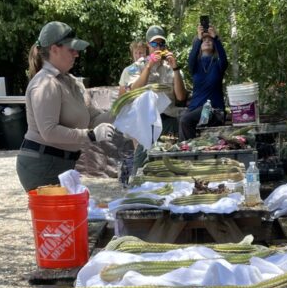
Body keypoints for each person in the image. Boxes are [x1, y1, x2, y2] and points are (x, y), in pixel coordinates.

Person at [16, 21, 101, 192]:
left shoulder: (68, 80)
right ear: (54, 49)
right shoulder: (45, 83)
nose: (76, 54)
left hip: (60, 162)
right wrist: (90, 135)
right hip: (43, 164)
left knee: (67, 218)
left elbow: (92, 116)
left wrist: (124, 110)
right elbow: (49, 131)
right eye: (71, 49)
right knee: (59, 219)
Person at [122, 24, 187, 179]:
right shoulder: (136, 67)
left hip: (168, 120)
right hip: (146, 122)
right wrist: (149, 66)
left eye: (161, 44)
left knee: (169, 163)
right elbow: (133, 90)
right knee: (142, 163)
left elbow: (181, 97)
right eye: (154, 44)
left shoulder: (171, 67)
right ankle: (136, 189)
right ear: (147, 46)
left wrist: (176, 69)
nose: (158, 47)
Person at [179, 23, 228, 141]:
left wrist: (215, 37)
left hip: (215, 111)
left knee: (185, 120)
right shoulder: (195, 65)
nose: (207, 41)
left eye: (209, 39)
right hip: (196, 110)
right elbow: (191, 59)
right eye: (204, 40)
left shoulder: (218, 64)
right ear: (199, 45)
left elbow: (224, 59)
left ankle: (187, 152)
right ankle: (188, 151)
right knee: (181, 118)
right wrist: (198, 38)